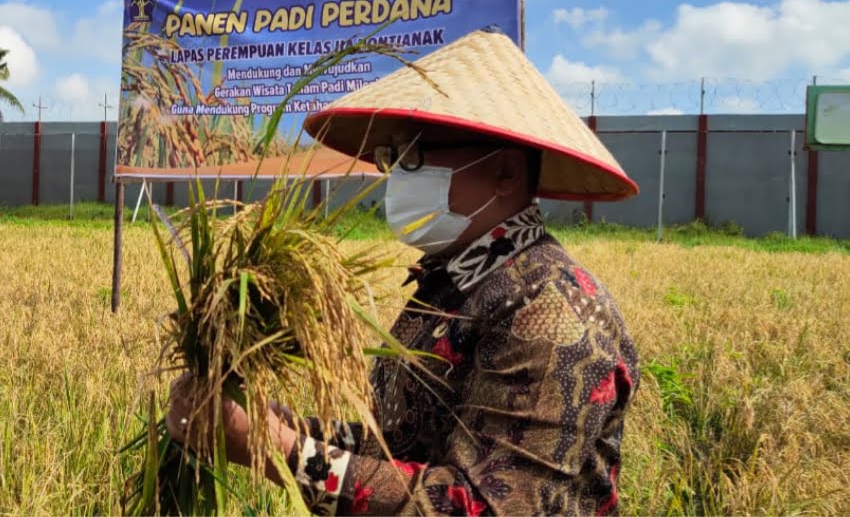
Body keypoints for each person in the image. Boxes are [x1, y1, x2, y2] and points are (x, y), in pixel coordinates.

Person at [167, 29, 641, 516]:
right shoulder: (451, 284)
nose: (397, 177)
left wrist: (281, 450)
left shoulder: (550, 309)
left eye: (415, 156)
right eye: (394, 158)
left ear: (505, 173)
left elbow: (480, 505)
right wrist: (267, 423)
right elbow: (396, 442)